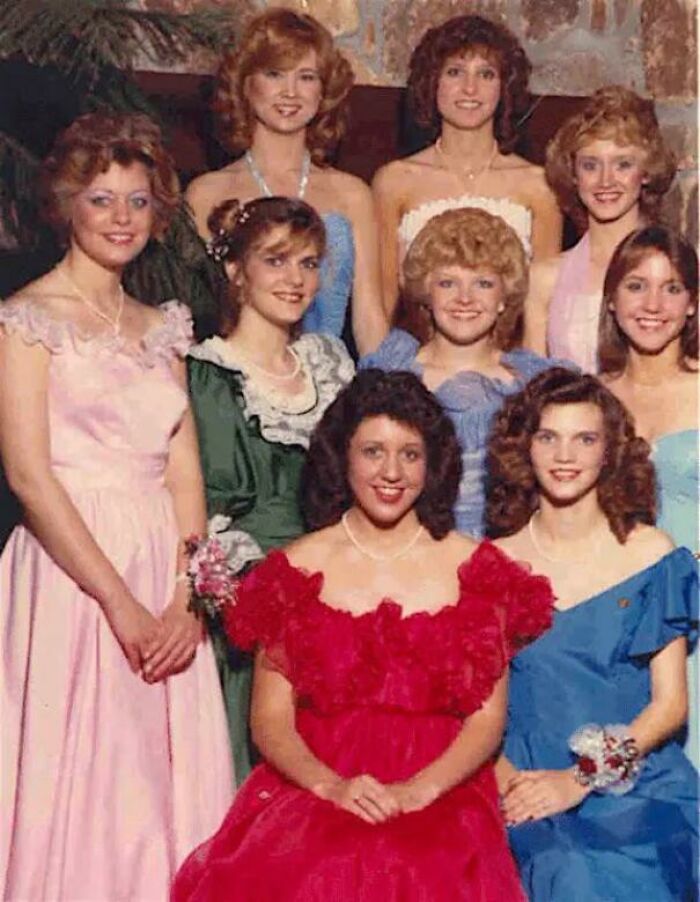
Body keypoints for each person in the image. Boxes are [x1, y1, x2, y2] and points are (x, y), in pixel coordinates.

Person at [172, 369, 554, 901]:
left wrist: (422, 791)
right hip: (317, 781)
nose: (391, 472)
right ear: (343, 456)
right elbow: (270, 719)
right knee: (321, 870)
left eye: (410, 454)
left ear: (433, 463)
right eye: (373, 451)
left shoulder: (477, 568)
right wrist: (332, 787)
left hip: (442, 785)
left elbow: (487, 721)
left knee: (410, 867)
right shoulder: (293, 570)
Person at [0, 112, 233, 901]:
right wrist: (122, 606)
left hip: (162, 563)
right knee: (88, 776)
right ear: (68, 205)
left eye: (138, 202)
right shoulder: (27, 320)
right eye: (102, 200)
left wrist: (186, 599)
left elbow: (186, 475)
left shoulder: (161, 327)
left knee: (156, 781)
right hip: (75, 574)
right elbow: (31, 478)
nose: (122, 219)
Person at [486, 367, 698, 901]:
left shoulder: (652, 554)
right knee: (561, 867)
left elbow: (670, 706)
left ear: (609, 452)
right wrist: (513, 786)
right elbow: (475, 709)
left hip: (636, 780)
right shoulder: (493, 563)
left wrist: (578, 780)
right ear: (524, 447)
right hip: (524, 778)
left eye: (585, 439)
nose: (565, 455)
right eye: (548, 436)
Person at [188, 194, 354, 783]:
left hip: (339, 584)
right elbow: (210, 510)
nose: (295, 279)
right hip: (252, 601)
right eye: (276, 260)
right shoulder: (208, 373)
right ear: (236, 270)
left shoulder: (329, 362)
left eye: (308, 264)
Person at [185, 7, 387, 355]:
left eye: (306, 76)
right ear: (245, 85)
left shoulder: (352, 194)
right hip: (237, 384)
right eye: (275, 74)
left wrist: (384, 399)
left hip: (331, 387)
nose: (290, 91)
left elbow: (369, 319)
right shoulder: (206, 194)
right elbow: (192, 317)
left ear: (324, 91)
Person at [361, 206, 564, 538]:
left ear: (504, 296)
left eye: (483, 283)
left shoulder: (532, 383)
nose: (465, 298)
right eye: (447, 282)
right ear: (426, 293)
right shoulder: (389, 373)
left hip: (510, 561)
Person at [373, 13, 562, 320]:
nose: (470, 88)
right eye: (455, 72)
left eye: (486, 74)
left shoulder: (539, 186)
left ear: (504, 88)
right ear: (432, 83)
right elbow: (381, 305)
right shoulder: (394, 181)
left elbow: (542, 310)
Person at [599, 224, 698, 766]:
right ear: (611, 300)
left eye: (672, 288)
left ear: (692, 306)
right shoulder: (590, 401)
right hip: (623, 627)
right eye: (637, 286)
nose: (653, 304)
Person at [525, 86, 676, 371]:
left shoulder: (678, 268)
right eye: (591, 165)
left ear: (645, 172)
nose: (606, 181)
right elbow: (532, 390)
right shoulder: (545, 278)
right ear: (573, 173)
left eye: (623, 164)